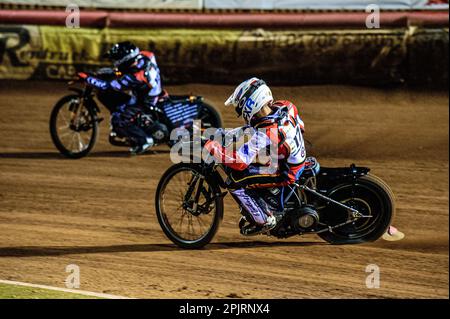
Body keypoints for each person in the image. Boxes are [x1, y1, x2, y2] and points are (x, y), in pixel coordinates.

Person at [205, 78, 307, 236]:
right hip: (295, 159)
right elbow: (301, 126)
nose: (239, 112)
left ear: (250, 104)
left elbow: (239, 162)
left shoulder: (267, 133)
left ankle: (263, 220)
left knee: (235, 179)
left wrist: (214, 148)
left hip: (286, 172)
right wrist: (225, 134)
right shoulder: (285, 106)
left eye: (240, 107)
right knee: (258, 160)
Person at [80, 41, 163, 154]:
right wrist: (112, 72)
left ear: (125, 60)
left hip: (144, 100)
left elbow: (108, 86)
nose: (114, 63)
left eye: (116, 60)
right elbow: (121, 71)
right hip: (150, 91)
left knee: (118, 120)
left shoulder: (135, 76)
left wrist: (88, 78)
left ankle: (143, 140)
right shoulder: (146, 55)